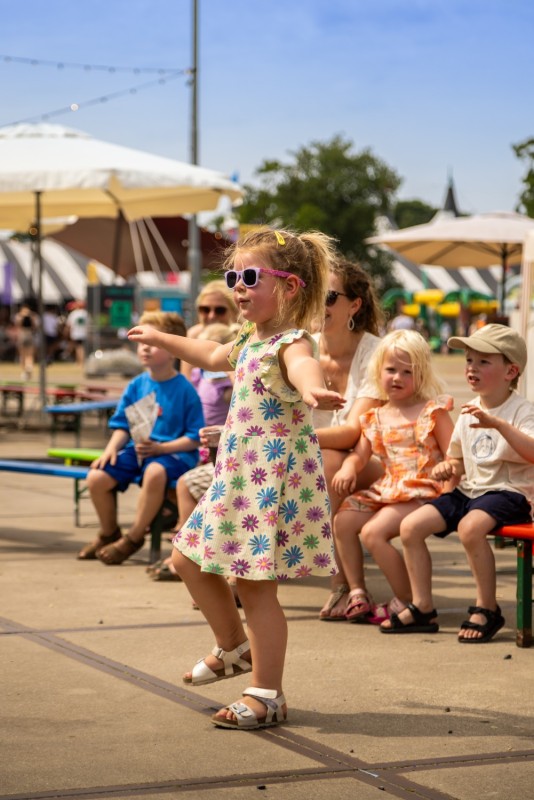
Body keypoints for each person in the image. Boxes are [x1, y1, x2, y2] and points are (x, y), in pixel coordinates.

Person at [128, 227, 345, 730]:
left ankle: (267, 693)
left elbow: (305, 367)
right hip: (235, 476)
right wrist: (161, 336)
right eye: (233, 277)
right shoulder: (249, 339)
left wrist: (314, 393)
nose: (238, 287)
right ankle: (233, 646)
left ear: (289, 287)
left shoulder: (290, 342)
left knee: (255, 587)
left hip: (267, 485)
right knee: (185, 558)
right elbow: (207, 356)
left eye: (250, 277)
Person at [388, 324, 534, 641]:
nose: (471, 368)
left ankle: (487, 607)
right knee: (411, 527)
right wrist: (447, 468)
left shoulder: (522, 411)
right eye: (469, 360)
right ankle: (423, 606)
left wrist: (497, 424)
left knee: (469, 528)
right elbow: (458, 460)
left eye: (483, 362)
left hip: (509, 494)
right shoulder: (470, 411)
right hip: (471, 492)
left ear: (511, 371)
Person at [332, 330, 454, 624]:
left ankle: (408, 599)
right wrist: (349, 467)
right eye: (391, 370)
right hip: (389, 488)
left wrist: (448, 472)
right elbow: (360, 454)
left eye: (406, 372)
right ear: (378, 371)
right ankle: (357, 591)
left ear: (421, 374)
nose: (397, 377)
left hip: (423, 490)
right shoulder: (376, 416)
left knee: (374, 534)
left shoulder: (431, 412)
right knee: (343, 521)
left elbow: (455, 454)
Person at [78, 311, 205, 565]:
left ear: (172, 350)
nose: (145, 349)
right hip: (140, 452)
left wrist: (162, 447)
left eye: (153, 344)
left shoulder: (185, 390)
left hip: (173, 455)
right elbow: (122, 425)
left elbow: (194, 438)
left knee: (156, 472)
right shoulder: (136, 385)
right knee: (96, 476)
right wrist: (111, 449)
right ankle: (108, 532)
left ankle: (133, 537)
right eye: (142, 344)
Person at [313, 257, 384, 620]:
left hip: (375, 459)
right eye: (310, 294)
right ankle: (240, 574)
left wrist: (297, 438)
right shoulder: (301, 349)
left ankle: (341, 585)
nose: (316, 304)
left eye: (328, 296)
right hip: (318, 458)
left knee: (329, 466)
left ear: (354, 304)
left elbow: (355, 432)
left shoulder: (376, 354)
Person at [148, 321, 237, 583]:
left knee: (225, 500)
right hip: (212, 451)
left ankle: (221, 569)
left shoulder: (227, 381)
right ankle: (190, 551)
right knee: (188, 484)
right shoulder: (198, 376)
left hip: (234, 458)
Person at [181, 279, 239, 379]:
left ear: (234, 312)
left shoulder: (243, 335)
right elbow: (187, 378)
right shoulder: (193, 335)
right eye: (205, 309)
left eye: (220, 310)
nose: (211, 316)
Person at [14, 302, 38, 380]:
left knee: (28, 354)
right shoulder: (22, 316)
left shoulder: (26, 316)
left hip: (26, 334)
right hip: (25, 334)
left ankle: (28, 368)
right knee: (24, 354)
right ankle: (26, 370)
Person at [65, 300, 88, 365]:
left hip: (75, 333)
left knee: (78, 348)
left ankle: (80, 361)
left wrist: (66, 332)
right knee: (81, 347)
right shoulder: (86, 313)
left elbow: (69, 325)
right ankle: (81, 361)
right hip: (84, 333)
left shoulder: (73, 313)